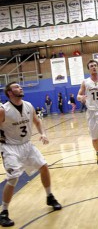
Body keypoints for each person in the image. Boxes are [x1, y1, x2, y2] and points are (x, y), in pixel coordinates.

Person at [0, 82, 62, 227]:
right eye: (16, 87)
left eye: (20, 86)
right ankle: (4, 212)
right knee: (13, 178)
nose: (20, 88)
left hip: (27, 145)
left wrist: (43, 134)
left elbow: (37, 121)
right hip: (10, 147)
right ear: (9, 92)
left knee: (44, 167)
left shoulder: (28, 105)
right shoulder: (3, 110)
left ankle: (49, 196)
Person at [77, 60, 98, 168]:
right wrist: (81, 98)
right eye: (91, 66)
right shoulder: (85, 82)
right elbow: (79, 95)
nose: (94, 67)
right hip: (91, 112)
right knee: (94, 138)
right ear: (89, 69)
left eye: (95, 65)